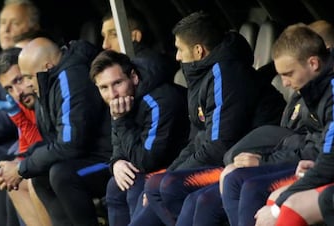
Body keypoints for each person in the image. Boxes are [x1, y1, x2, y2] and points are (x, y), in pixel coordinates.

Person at [128, 11, 280, 226]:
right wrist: (171, 171)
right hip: (223, 157)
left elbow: (219, 144)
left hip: (239, 162)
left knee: (169, 186)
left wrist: (172, 175)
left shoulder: (225, 73)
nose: (177, 56)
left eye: (180, 49)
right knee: (154, 185)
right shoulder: (203, 73)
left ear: (199, 51)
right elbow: (198, 138)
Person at [0, 37, 113, 226]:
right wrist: (22, 160)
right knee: (41, 177)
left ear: (47, 66)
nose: (27, 85)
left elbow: (70, 145)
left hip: (110, 158)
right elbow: (52, 140)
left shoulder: (70, 78)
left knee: (61, 174)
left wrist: (21, 168)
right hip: (87, 155)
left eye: (28, 77)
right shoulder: (48, 84)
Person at [90, 50, 190, 226]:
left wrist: (121, 121)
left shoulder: (159, 100)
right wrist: (117, 163)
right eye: (103, 88)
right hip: (155, 163)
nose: (112, 94)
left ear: (134, 78)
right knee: (115, 185)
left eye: (117, 83)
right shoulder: (123, 100)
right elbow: (118, 145)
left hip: (181, 164)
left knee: (134, 182)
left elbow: (146, 161)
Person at [253, 24, 334, 226]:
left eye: (288, 73)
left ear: (313, 63)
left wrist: (276, 207)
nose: (285, 83)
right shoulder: (316, 90)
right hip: (322, 165)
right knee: (277, 198)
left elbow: (330, 161)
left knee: (286, 207)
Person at [0, 47, 49, 226]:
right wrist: (12, 168)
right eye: (9, 88)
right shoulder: (24, 103)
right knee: (3, 173)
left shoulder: (44, 95)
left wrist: (16, 116)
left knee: (26, 178)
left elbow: (42, 147)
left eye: (19, 80)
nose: (17, 92)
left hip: (71, 160)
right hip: (46, 158)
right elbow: (26, 149)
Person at [101, 10, 178, 82]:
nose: (105, 45)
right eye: (104, 36)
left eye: (114, 35)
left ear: (135, 36)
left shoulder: (146, 68)